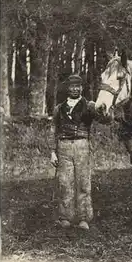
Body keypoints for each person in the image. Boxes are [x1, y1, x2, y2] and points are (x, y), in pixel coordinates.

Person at [50, 74, 97, 230]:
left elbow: (105, 119)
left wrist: (100, 108)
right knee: (64, 182)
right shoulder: (59, 108)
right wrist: (52, 151)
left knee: (83, 182)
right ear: (67, 88)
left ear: (82, 88)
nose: (75, 89)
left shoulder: (89, 106)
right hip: (63, 147)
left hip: (82, 145)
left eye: (78, 86)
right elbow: (54, 130)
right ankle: (65, 217)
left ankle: (84, 218)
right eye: (72, 86)